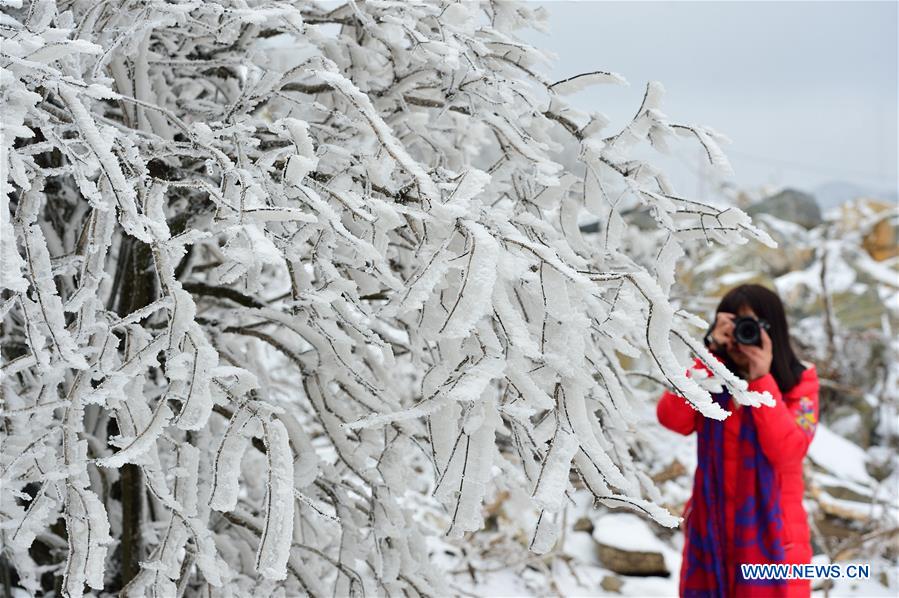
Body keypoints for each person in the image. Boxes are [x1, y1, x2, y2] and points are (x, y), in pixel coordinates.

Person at [657, 284, 820, 598]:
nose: (744, 335)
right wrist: (708, 357)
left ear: (774, 329)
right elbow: (671, 419)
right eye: (734, 325)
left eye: (753, 325)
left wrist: (762, 380)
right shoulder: (710, 379)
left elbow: (788, 453)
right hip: (712, 536)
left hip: (777, 542)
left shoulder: (800, 384)